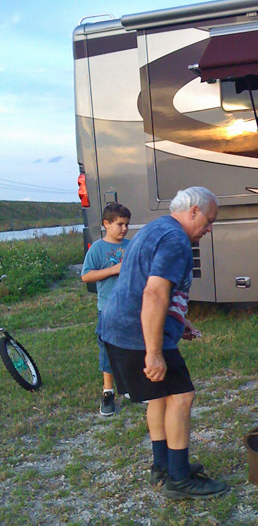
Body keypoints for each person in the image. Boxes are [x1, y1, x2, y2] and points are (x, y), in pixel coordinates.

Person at [98, 187, 227, 500]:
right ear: (193, 211)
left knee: (160, 397)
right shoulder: (176, 240)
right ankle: (180, 479)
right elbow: (153, 293)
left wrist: (178, 321)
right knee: (182, 396)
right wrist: (154, 353)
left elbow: (146, 284)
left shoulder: (156, 227)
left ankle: (163, 467)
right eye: (209, 221)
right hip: (137, 334)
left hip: (117, 327)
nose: (209, 229)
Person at [81, 202, 131, 416]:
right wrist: (113, 270)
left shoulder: (131, 245)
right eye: (119, 224)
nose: (124, 229)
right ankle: (108, 392)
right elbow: (86, 276)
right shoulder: (98, 249)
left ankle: (130, 386)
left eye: (127, 224)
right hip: (108, 308)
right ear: (106, 224)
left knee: (132, 347)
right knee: (108, 350)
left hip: (131, 306)